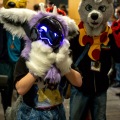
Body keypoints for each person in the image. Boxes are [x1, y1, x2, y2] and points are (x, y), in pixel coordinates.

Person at [12, 10, 82, 120]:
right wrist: (38, 66)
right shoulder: (27, 56)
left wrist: (63, 64)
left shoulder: (62, 55)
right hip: (31, 112)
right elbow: (20, 89)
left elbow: (78, 82)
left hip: (57, 112)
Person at [0, 0, 26, 114]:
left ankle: (18, 113)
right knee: (5, 89)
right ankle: (6, 112)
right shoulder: (1, 25)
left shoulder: (23, 25)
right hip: (4, 61)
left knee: (20, 91)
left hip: (19, 61)